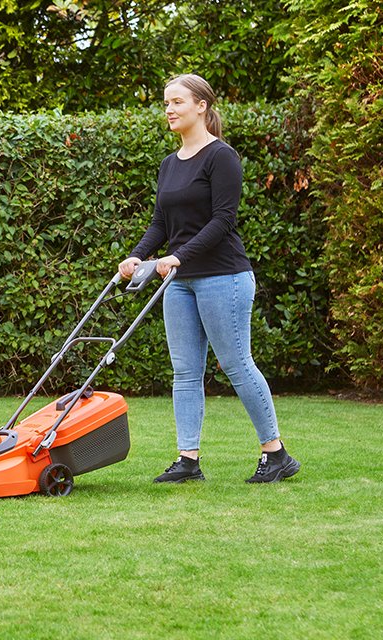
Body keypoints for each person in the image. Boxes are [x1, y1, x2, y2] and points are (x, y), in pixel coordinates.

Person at [118, 73, 300, 484]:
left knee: (236, 364)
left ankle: (276, 454)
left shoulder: (222, 157)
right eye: (166, 103)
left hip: (224, 276)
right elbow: (160, 223)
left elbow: (223, 221)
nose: (168, 109)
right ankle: (188, 460)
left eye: (177, 102)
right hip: (178, 282)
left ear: (201, 105)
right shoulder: (169, 164)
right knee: (184, 371)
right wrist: (136, 256)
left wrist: (178, 256)